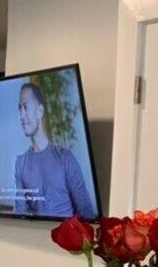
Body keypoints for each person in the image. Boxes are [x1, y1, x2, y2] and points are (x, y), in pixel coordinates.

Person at [11, 81, 97, 218]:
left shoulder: (65, 157)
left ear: (40, 111)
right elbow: (19, 212)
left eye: (26, 107)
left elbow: (85, 210)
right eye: (19, 108)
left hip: (65, 237)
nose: (21, 115)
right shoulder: (20, 163)